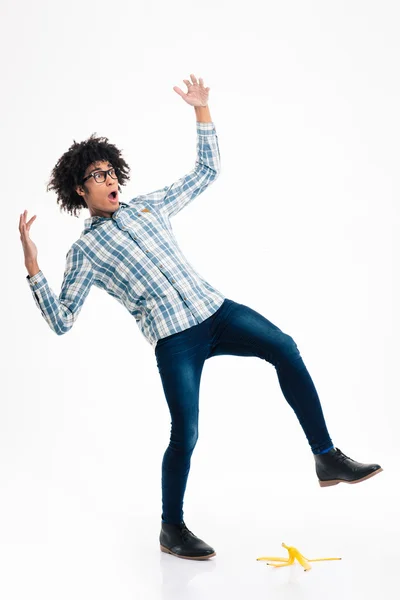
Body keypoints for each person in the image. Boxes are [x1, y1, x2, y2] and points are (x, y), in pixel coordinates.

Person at [19, 73, 383, 561]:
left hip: (216, 312)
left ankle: (326, 457)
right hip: (175, 341)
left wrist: (201, 111)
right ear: (78, 191)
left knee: (284, 346)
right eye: (96, 176)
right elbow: (62, 321)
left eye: (110, 172)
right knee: (185, 431)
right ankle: (172, 528)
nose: (108, 181)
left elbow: (206, 172)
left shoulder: (149, 207)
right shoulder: (85, 251)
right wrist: (33, 267)